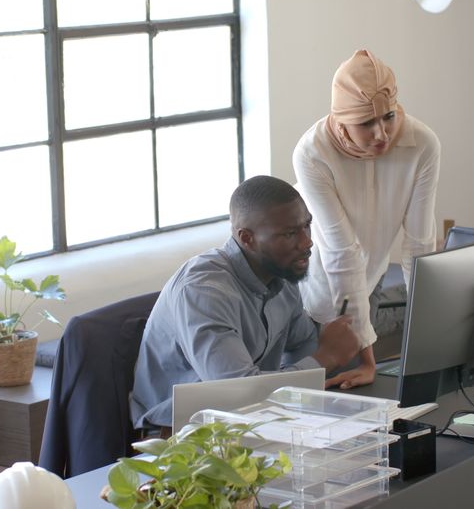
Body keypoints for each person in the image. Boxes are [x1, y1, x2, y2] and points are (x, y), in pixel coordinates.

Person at [130, 175, 360, 430]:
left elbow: (303, 342)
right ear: (247, 238)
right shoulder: (203, 292)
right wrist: (324, 359)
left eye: (307, 226)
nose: (307, 242)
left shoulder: (281, 275)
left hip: (252, 419)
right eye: (290, 233)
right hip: (179, 433)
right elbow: (236, 393)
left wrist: (325, 360)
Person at [293, 49, 441, 390]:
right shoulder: (312, 153)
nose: (381, 134)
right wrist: (367, 361)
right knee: (329, 394)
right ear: (341, 119)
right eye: (366, 124)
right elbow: (341, 252)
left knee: (376, 390)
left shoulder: (422, 144)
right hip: (320, 290)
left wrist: (429, 337)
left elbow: (419, 244)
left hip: (371, 276)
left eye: (388, 117)